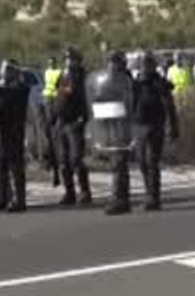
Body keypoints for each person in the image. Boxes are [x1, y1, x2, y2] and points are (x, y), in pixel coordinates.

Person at [89, 51, 137, 216]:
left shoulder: (125, 81)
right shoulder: (109, 81)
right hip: (109, 127)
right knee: (117, 164)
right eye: (110, 62)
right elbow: (99, 99)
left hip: (122, 128)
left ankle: (119, 199)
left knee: (119, 163)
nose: (112, 65)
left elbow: (128, 104)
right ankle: (123, 199)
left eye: (114, 62)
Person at [134, 51, 180, 211]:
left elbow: (169, 105)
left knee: (152, 161)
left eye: (148, 64)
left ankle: (154, 197)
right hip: (139, 125)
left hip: (155, 125)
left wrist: (173, 127)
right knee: (141, 161)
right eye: (143, 64)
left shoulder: (159, 83)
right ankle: (149, 193)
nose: (145, 67)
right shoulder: (136, 84)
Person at [0, 60, 30, 213]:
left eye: (7, 69)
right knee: (0, 165)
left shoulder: (20, 89)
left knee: (15, 166)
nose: (3, 72)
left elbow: (5, 96)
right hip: (1, 131)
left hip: (13, 132)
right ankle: (1, 199)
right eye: (3, 69)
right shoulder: (3, 88)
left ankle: (19, 199)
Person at [53, 47, 92, 206]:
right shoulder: (63, 76)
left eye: (72, 59)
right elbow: (58, 93)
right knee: (63, 161)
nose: (69, 62)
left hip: (75, 121)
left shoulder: (80, 77)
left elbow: (78, 94)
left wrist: (83, 118)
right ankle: (69, 192)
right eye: (67, 59)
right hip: (62, 122)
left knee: (76, 158)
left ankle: (85, 191)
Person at [41, 56, 62, 187]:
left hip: (54, 102)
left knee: (54, 142)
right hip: (47, 102)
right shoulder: (47, 72)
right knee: (48, 140)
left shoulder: (59, 72)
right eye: (49, 63)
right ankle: (48, 161)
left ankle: (54, 168)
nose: (51, 65)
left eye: (52, 63)